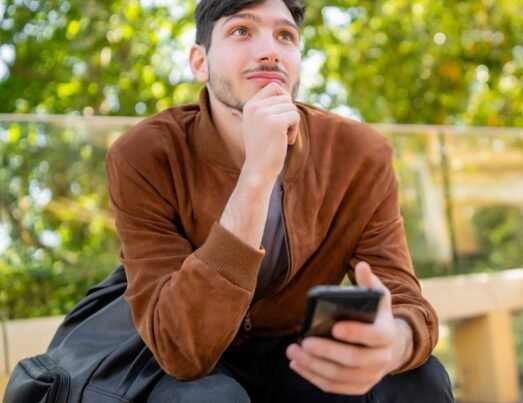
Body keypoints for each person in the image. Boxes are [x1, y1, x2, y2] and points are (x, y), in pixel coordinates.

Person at [104, 0, 453, 401]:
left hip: (299, 349)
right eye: (241, 31)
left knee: (417, 380)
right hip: (193, 358)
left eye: (285, 36)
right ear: (200, 63)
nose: (269, 50)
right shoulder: (143, 155)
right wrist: (257, 173)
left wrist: (393, 343)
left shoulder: (361, 156)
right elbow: (181, 350)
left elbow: (407, 302)